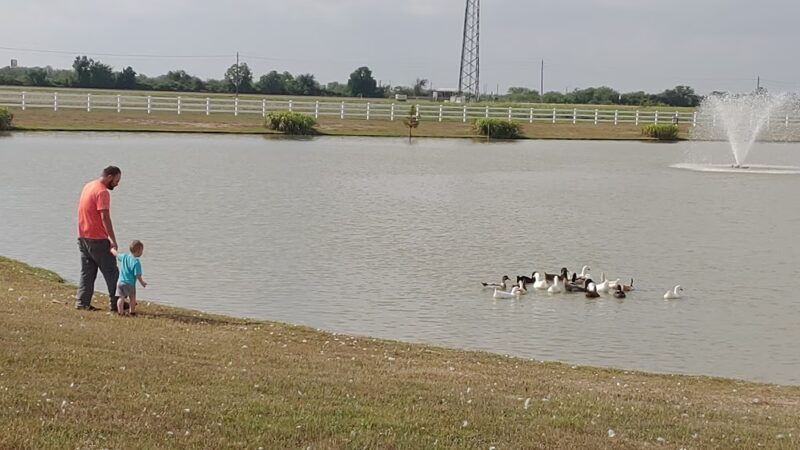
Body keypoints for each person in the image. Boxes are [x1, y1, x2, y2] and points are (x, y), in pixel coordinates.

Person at [76, 166, 122, 311]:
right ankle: (117, 304)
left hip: (83, 236)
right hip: (98, 239)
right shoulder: (102, 192)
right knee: (112, 272)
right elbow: (105, 217)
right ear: (109, 177)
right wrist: (113, 240)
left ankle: (82, 302)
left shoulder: (88, 186)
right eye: (116, 180)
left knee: (87, 273)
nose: (117, 184)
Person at [111, 240, 147, 316]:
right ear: (138, 251)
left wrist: (112, 249)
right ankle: (132, 312)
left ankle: (120, 312)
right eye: (142, 251)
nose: (142, 253)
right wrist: (142, 283)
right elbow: (137, 275)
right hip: (130, 283)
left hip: (120, 282)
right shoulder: (136, 262)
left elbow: (116, 254)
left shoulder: (124, 257)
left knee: (121, 298)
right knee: (132, 298)